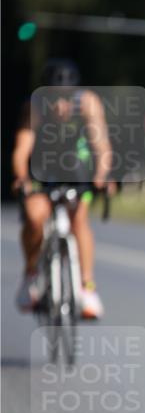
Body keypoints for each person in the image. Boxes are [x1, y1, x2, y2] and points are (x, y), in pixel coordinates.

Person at [12, 58, 114, 319]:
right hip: (44, 166)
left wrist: (103, 175)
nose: (60, 104)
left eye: (65, 97)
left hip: (77, 166)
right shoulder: (35, 106)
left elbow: (101, 145)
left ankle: (87, 287)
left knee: (78, 219)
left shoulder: (87, 103)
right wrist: (22, 178)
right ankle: (31, 274)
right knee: (35, 217)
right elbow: (22, 150)